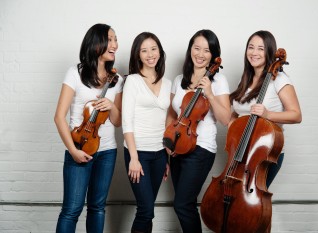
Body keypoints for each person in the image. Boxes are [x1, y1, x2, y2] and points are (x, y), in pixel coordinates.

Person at [228, 30, 302, 232]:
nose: (254, 52)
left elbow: (296, 114)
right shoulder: (246, 80)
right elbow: (237, 114)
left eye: (260, 48)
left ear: (269, 52)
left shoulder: (279, 79)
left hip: (266, 153)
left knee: (255, 205)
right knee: (240, 204)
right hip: (244, 152)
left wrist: (268, 114)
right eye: (251, 47)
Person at [54, 23, 123, 233]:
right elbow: (59, 117)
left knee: (97, 208)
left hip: (107, 151)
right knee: (72, 210)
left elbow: (118, 121)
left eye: (115, 39)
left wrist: (111, 106)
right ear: (96, 43)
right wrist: (73, 151)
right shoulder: (75, 72)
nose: (114, 44)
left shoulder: (116, 79)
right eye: (109, 39)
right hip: (79, 147)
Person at [166, 29, 231, 233]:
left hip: (201, 149)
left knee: (182, 204)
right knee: (187, 204)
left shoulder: (219, 81)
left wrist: (210, 94)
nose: (200, 54)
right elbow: (171, 113)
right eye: (197, 48)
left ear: (213, 55)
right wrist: (168, 142)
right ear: (190, 50)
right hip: (177, 147)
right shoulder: (179, 79)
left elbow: (226, 119)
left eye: (207, 50)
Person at [122, 32, 171, 233]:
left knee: (148, 208)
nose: (150, 54)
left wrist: (166, 157)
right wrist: (134, 158)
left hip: (159, 155)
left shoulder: (167, 83)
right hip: (138, 153)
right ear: (137, 55)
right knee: (146, 209)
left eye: (153, 49)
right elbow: (126, 122)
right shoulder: (133, 81)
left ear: (160, 51)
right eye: (144, 50)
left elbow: (167, 122)